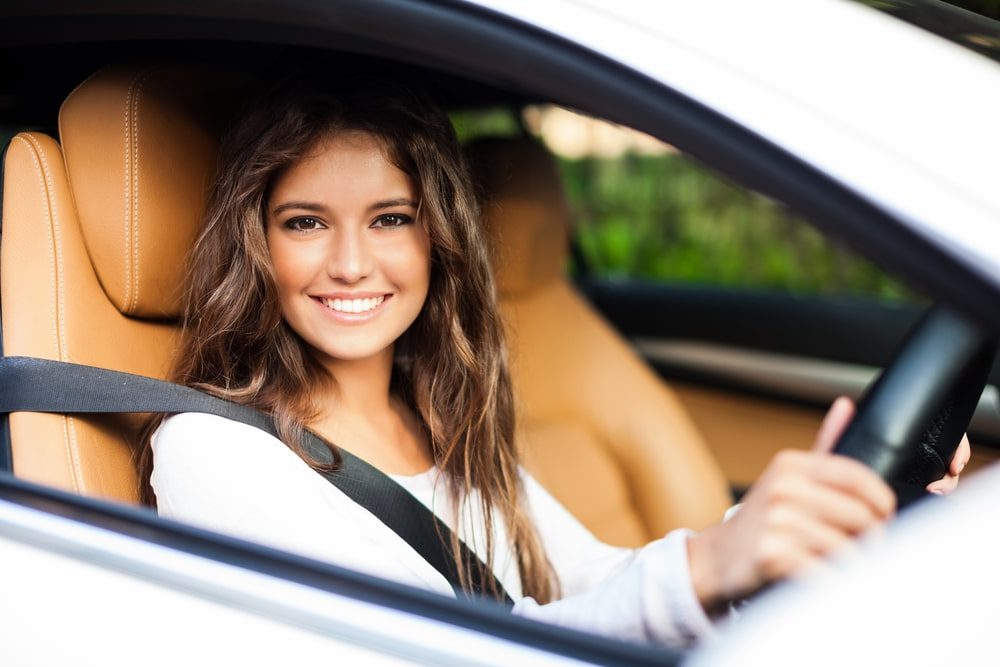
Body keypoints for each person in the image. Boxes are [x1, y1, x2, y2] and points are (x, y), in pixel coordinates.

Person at [138, 79, 968, 649]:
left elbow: (590, 577)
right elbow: (454, 651)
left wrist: (788, 532)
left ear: (439, 240)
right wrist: (712, 564)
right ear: (256, 243)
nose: (353, 263)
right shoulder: (214, 452)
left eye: (390, 218)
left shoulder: (437, 412)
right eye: (306, 222)